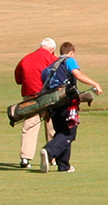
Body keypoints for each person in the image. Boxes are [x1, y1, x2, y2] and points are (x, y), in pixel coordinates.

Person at [40, 41, 103, 173]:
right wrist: (95, 84)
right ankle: (49, 151)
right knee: (69, 132)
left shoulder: (49, 68)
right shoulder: (69, 61)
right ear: (71, 52)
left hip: (53, 105)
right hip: (67, 103)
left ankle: (64, 165)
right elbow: (78, 75)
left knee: (61, 131)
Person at [12, 36, 58, 168]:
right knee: (51, 126)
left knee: (30, 125)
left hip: (29, 97)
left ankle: (25, 159)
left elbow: (18, 78)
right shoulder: (51, 58)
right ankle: (53, 157)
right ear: (52, 49)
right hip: (48, 96)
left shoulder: (26, 58)